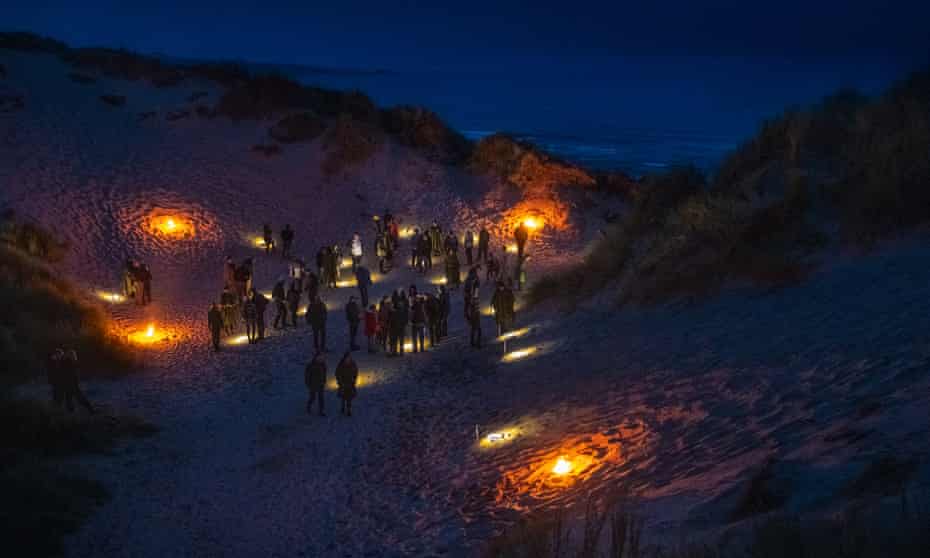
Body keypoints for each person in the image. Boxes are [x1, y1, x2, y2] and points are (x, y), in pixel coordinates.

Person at [60, 349, 94, 414]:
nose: (74, 356)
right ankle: (89, 409)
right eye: (72, 355)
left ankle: (89, 409)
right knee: (73, 398)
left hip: (71, 384)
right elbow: (70, 374)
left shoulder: (68, 362)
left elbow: (70, 374)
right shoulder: (69, 362)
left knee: (73, 398)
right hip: (71, 384)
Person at [335, 352, 358, 416]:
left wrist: (354, 379)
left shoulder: (353, 364)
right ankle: (342, 406)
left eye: (349, 358)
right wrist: (339, 381)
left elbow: (355, 372)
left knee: (349, 397)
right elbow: (337, 373)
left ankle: (348, 409)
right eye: (347, 358)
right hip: (343, 383)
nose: (348, 359)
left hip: (350, 383)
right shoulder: (341, 365)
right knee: (343, 396)